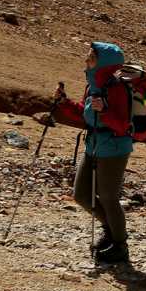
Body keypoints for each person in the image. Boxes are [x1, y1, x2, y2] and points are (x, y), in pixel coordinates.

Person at [51, 41, 135, 264]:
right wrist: (64, 103)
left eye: (91, 58)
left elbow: (123, 126)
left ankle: (120, 246)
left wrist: (105, 111)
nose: (86, 61)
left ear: (103, 64)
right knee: (81, 195)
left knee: (108, 197)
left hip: (114, 149)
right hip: (94, 144)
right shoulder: (93, 87)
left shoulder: (118, 89)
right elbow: (85, 115)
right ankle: (111, 231)